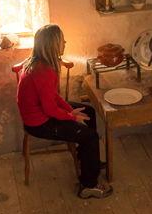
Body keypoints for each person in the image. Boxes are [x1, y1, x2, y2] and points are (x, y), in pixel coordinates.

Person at [16, 24, 112, 199]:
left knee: (88, 111)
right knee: (89, 137)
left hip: (42, 114)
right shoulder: (44, 71)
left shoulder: (39, 63)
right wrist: (70, 116)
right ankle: (88, 186)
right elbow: (50, 109)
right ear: (53, 45)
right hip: (39, 123)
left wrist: (71, 110)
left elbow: (54, 97)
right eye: (62, 40)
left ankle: (89, 163)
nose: (65, 43)